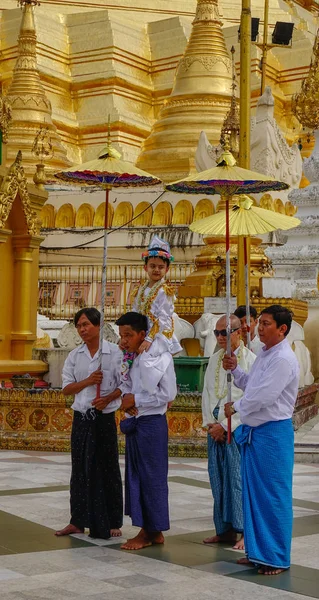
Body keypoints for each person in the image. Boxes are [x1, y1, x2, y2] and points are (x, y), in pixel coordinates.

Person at [224, 305, 299, 575]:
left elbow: (265, 397)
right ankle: (257, 551)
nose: (259, 328)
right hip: (257, 434)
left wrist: (237, 408)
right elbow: (253, 385)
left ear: (282, 329)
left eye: (266, 323)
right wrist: (237, 371)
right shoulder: (265, 354)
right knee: (254, 496)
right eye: (261, 323)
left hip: (271, 435)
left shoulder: (283, 359)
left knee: (273, 497)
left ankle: (276, 557)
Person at [55, 307, 123, 540]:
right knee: (80, 468)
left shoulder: (114, 353)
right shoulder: (75, 356)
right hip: (82, 418)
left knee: (106, 466)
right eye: (79, 325)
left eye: (86, 324)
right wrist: (88, 381)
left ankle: (112, 520)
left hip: (103, 417)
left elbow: (124, 384)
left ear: (98, 325)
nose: (83, 329)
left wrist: (108, 398)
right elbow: (66, 389)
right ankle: (78, 520)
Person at [115, 311, 177, 551]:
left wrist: (135, 400)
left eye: (129, 335)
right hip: (137, 421)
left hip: (152, 423)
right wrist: (127, 400)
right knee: (136, 476)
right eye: (122, 335)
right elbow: (127, 387)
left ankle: (151, 530)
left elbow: (167, 394)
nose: (124, 340)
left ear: (143, 334)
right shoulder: (131, 358)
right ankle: (148, 527)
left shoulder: (160, 357)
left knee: (152, 478)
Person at [202, 314, 256, 550]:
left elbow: (250, 399)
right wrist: (210, 424)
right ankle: (224, 530)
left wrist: (226, 426)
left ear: (239, 332)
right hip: (215, 429)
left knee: (237, 481)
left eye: (225, 332)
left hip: (237, 430)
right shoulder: (214, 360)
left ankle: (244, 531)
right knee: (218, 480)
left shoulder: (251, 360)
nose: (220, 337)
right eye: (217, 333)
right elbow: (206, 394)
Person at [131, 235, 182, 358]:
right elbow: (135, 312)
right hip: (141, 332)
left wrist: (149, 339)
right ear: (145, 267)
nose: (156, 270)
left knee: (148, 359)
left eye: (161, 267)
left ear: (167, 269)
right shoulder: (140, 289)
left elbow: (163, 318)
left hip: (159, 335)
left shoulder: (165, 291)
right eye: (152, 266)